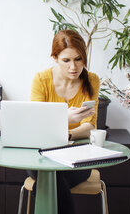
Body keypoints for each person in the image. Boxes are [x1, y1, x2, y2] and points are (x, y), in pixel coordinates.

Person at [30, 29, 100, 214]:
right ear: (55, 58)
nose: (73, 67)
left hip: (76, 154)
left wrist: (67, 134)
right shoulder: (41, 79)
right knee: (51, 176)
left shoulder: (91, 80)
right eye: (66, 60)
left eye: (78, 59)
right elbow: (35, 123)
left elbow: (90, 125)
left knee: (47, 184)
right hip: (41, 155)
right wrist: (65, 119)